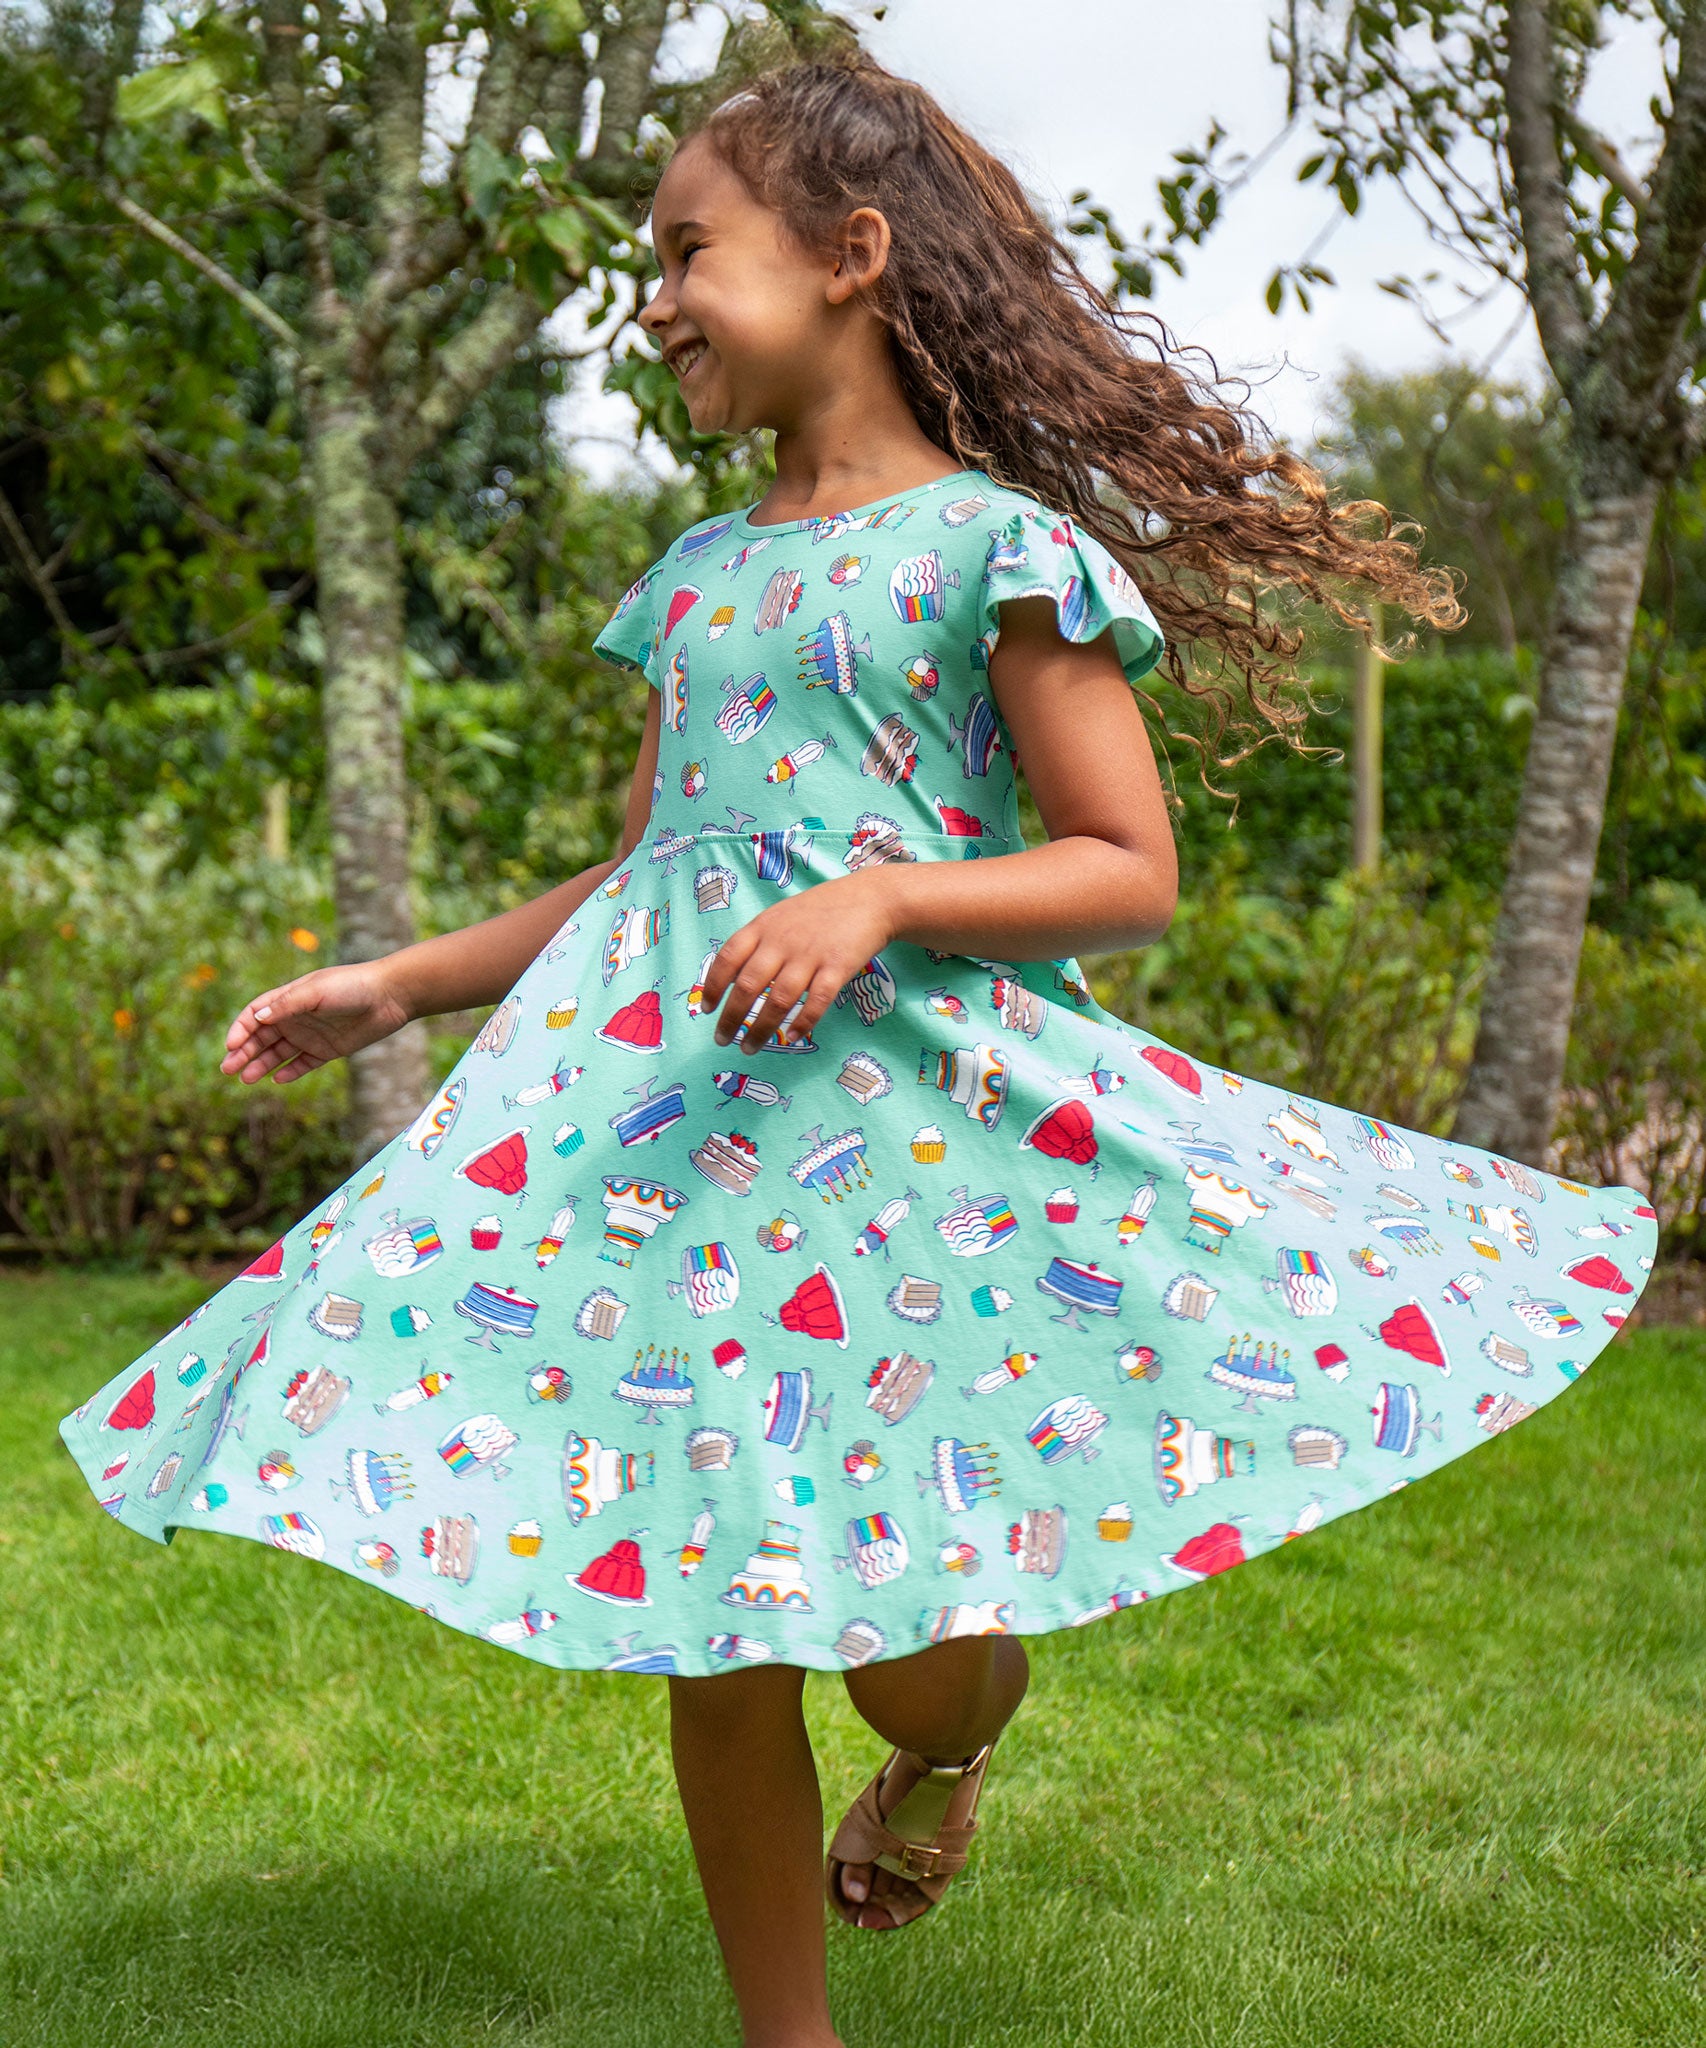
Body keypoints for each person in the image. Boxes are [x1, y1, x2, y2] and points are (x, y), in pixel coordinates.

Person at [57, 49, 1660, 2048]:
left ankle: (948, 1747)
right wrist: (399, 981)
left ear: (850, 258)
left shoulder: (993, 550)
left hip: (919, 1157)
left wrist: (885, 896)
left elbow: (1125, 865)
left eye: (682, 248)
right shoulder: (700, 581)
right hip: (688, 1163)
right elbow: (653, 871)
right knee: (712, 1615)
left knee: (909, 1659)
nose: (649, 297)